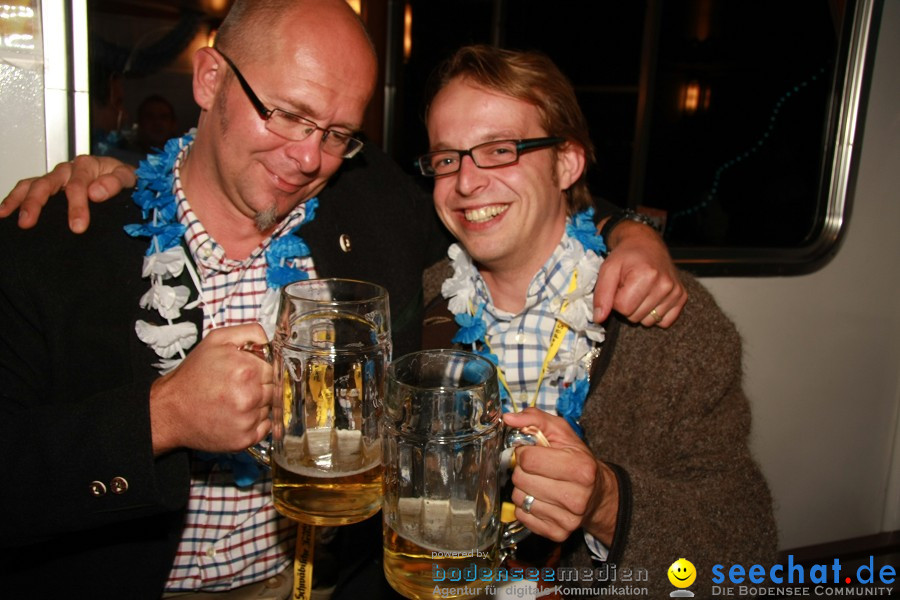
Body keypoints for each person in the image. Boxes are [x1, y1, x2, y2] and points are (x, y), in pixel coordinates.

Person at [0, 2, 686, 599]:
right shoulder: (63, 239)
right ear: (211, 80)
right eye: (289, 115)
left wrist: (632, 233)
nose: (308, 158)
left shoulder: (370, 204)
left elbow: (507, 195)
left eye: (336, 134)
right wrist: (159, 417)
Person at [417, 45, 777, 598]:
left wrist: (606, 502)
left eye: (500, 150)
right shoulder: (419, 294)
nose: (466, 183)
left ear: (566, 163)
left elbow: (744, 549)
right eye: (447, 158)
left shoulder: (668, 323)